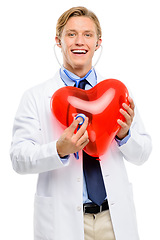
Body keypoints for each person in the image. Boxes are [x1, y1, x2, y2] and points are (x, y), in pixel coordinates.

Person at [10, 6, 152, 240]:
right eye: (71, 34)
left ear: (98, 42)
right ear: (59, 40)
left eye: (88, 34)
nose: (79, 41)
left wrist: (124, 134)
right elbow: (18, 158)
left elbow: (143, 154)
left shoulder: (116, 93)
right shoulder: (35, 96)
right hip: (63, 221)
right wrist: (58, 150)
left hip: (113, 219)